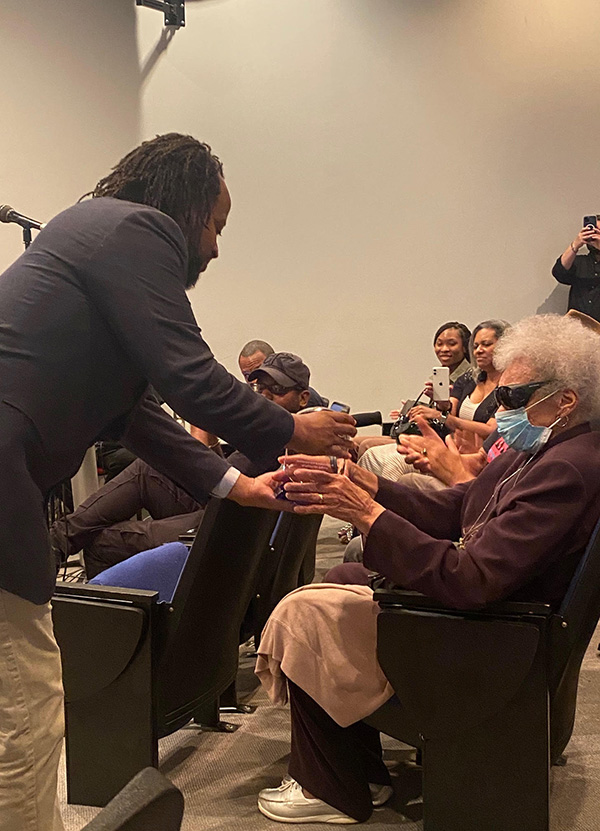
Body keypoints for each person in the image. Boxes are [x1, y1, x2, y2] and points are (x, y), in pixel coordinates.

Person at [0, 133, 355, 831]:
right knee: (25, 704)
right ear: (186, 203)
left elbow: (139, 413)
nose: (217, 246)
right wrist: (293, 430)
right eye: (217, 224)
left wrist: (235, 484)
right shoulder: (139, 228)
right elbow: (191, 379)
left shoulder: (90, 235)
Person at [253, 314, 600, 825]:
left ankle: (332, 789)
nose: (500, 411)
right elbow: (460, 509)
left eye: (511, 398)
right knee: (344, 579)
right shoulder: (546, 446)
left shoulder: (569, 469)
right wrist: (369, 487)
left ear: (565, 399)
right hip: (494, 620)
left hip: (494, 641)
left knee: (304, 612)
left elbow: (471, 579)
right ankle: (358, 768)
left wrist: (366, 516)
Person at [51, 352, 314, 577]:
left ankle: (129, 630)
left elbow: (228, 487)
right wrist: (208, 441)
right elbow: (228, 481)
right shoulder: (273, 432)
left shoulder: (281, 437)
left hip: (221, 532)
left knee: (101, 543)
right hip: (223, 512)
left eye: (277, 391)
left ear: (303, 398)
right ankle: (54, 543)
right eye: (261, 389)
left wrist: (203, 437)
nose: (265, 398)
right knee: (147, 469)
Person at [359, 319, 508, 483]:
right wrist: (441, 406)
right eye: (476, 346)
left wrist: (441, 416)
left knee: (393, 463)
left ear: (505, 347)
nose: (479, 351)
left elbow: (490, 429)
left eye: (486, 345)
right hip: (451, 446)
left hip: (471, 456)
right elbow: (448, 413)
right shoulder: (469, 378)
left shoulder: (509, 387)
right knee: (371, 455)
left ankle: (382, 507)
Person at [356, 320, 472, 459]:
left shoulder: (468, 379)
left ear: (465, 347)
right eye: (439, 343)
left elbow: (448, 418)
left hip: (442, 440)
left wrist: (430, 412)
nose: (444, 349)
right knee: (354, 443)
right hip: (425, 433)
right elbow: (437, 412)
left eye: (452, 344)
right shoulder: (441, 375)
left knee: (366, 445)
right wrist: (412, 411)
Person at [552, 217, 600, 321]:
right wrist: (576, 244)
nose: (595, 235)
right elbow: (559, 273)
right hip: (576, 330)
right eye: (592, 231)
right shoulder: (579, 262)